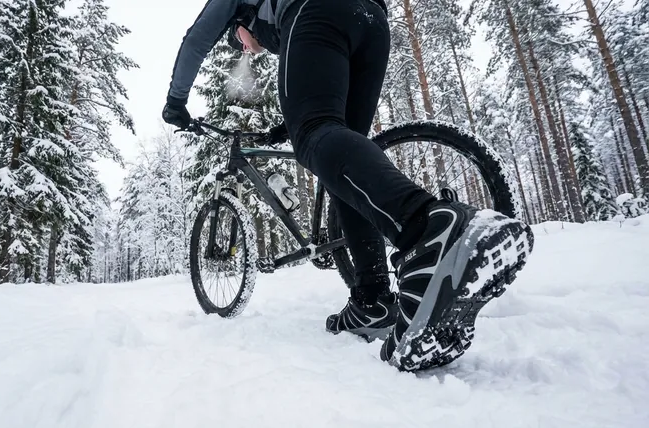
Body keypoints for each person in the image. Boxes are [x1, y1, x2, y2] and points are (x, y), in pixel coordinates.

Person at [162, 0, 534, 371]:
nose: (245, 47)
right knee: (339, 143)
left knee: (314, 134)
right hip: (371, 19)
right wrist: (294, 124)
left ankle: (428, 228)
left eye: (238, 39)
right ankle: (371, 300)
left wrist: (176, 103)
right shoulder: (276, 33)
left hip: (317, 9)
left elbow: (196, 39)